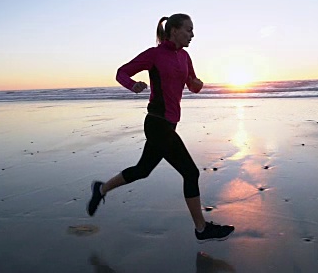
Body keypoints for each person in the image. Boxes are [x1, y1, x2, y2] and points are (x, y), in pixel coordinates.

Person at [86, 13, 235, 242]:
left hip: (170, 124)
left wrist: (198, 84)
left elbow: (193, 85)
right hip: (157, 124)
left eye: (193, 30)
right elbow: (121, 72)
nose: (192, 35)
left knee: (142, 170)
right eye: (188, 30)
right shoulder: (154, 54)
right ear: (174, 30)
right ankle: (202, 228)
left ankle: (102, 189)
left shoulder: (185, 57)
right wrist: (132, 85)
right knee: (191, 172)